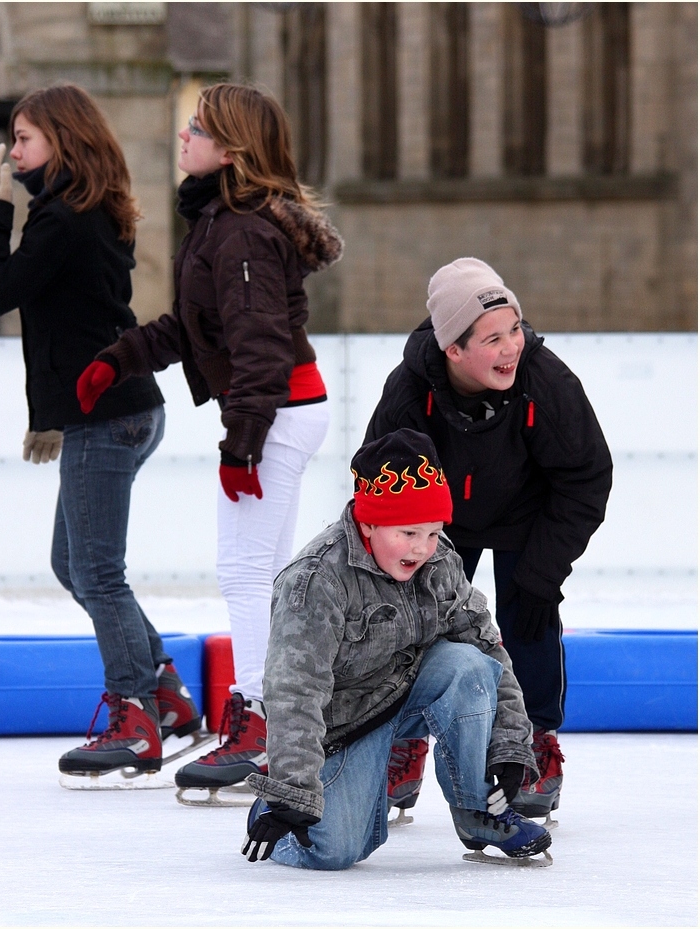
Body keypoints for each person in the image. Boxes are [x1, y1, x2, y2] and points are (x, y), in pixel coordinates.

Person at [76, 82, 343, 797]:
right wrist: (119, 359)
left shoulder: (245, 231)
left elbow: (258, 347)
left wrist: (242, 443)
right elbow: (196, 328)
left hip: (276, 412)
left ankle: (259, 728)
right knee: (265, 573)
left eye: (196, 127)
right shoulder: (223, 222)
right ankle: (276, 720)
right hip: (281, 407)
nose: (184, 135)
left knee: (245, 573)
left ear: (230, 149)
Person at [0, 84, 201, 782]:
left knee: (95, 570)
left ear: (63, 141)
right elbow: (59, 323)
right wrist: (49, 417)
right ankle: (162, 690)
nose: (14, 151)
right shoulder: (75, 210)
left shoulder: (63, 219)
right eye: (14, 138)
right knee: (76, 565)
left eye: (25, 138)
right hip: (110, 408)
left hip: (110, 413)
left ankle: (136, 714)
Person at [364, 257, 613, 821]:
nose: (511, 347)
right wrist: (407, 551)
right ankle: (404, 740)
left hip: (530, 512)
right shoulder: (408, 393)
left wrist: (544, 567)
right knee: (414, 612)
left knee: (529, 605)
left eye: (515, 329)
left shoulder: (546, 382)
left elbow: (586, 476)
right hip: (441, 519)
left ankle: (536, 741)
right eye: (493, 338)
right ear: (453, 349)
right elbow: (379, 483)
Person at [241, 429, 552, 869]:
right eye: (408, 532)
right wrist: (292, 790)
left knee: (469, 664)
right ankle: (281, 814)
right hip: (343, 723)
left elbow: (489, 647)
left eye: (433, 532)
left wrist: (508, 745)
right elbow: (294, 691)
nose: (423, 548)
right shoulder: (317, 581)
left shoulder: (439, 560)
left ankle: (481, 812)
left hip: (406, 693)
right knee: (335, 851)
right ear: (368, 523)